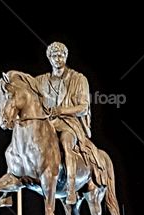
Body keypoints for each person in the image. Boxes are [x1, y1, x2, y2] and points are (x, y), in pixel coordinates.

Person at [34, 42, 102, 205]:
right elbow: (20, 90)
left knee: (66, 142)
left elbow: (83, 107)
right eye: (54, 55)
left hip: (69, 124)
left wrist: (61, 111)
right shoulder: (40, 81)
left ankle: (71, 188)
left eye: (61, 55)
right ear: (49, 58)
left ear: (66, 57)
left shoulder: (78, 79)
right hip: (47, 125)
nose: (58, 59)